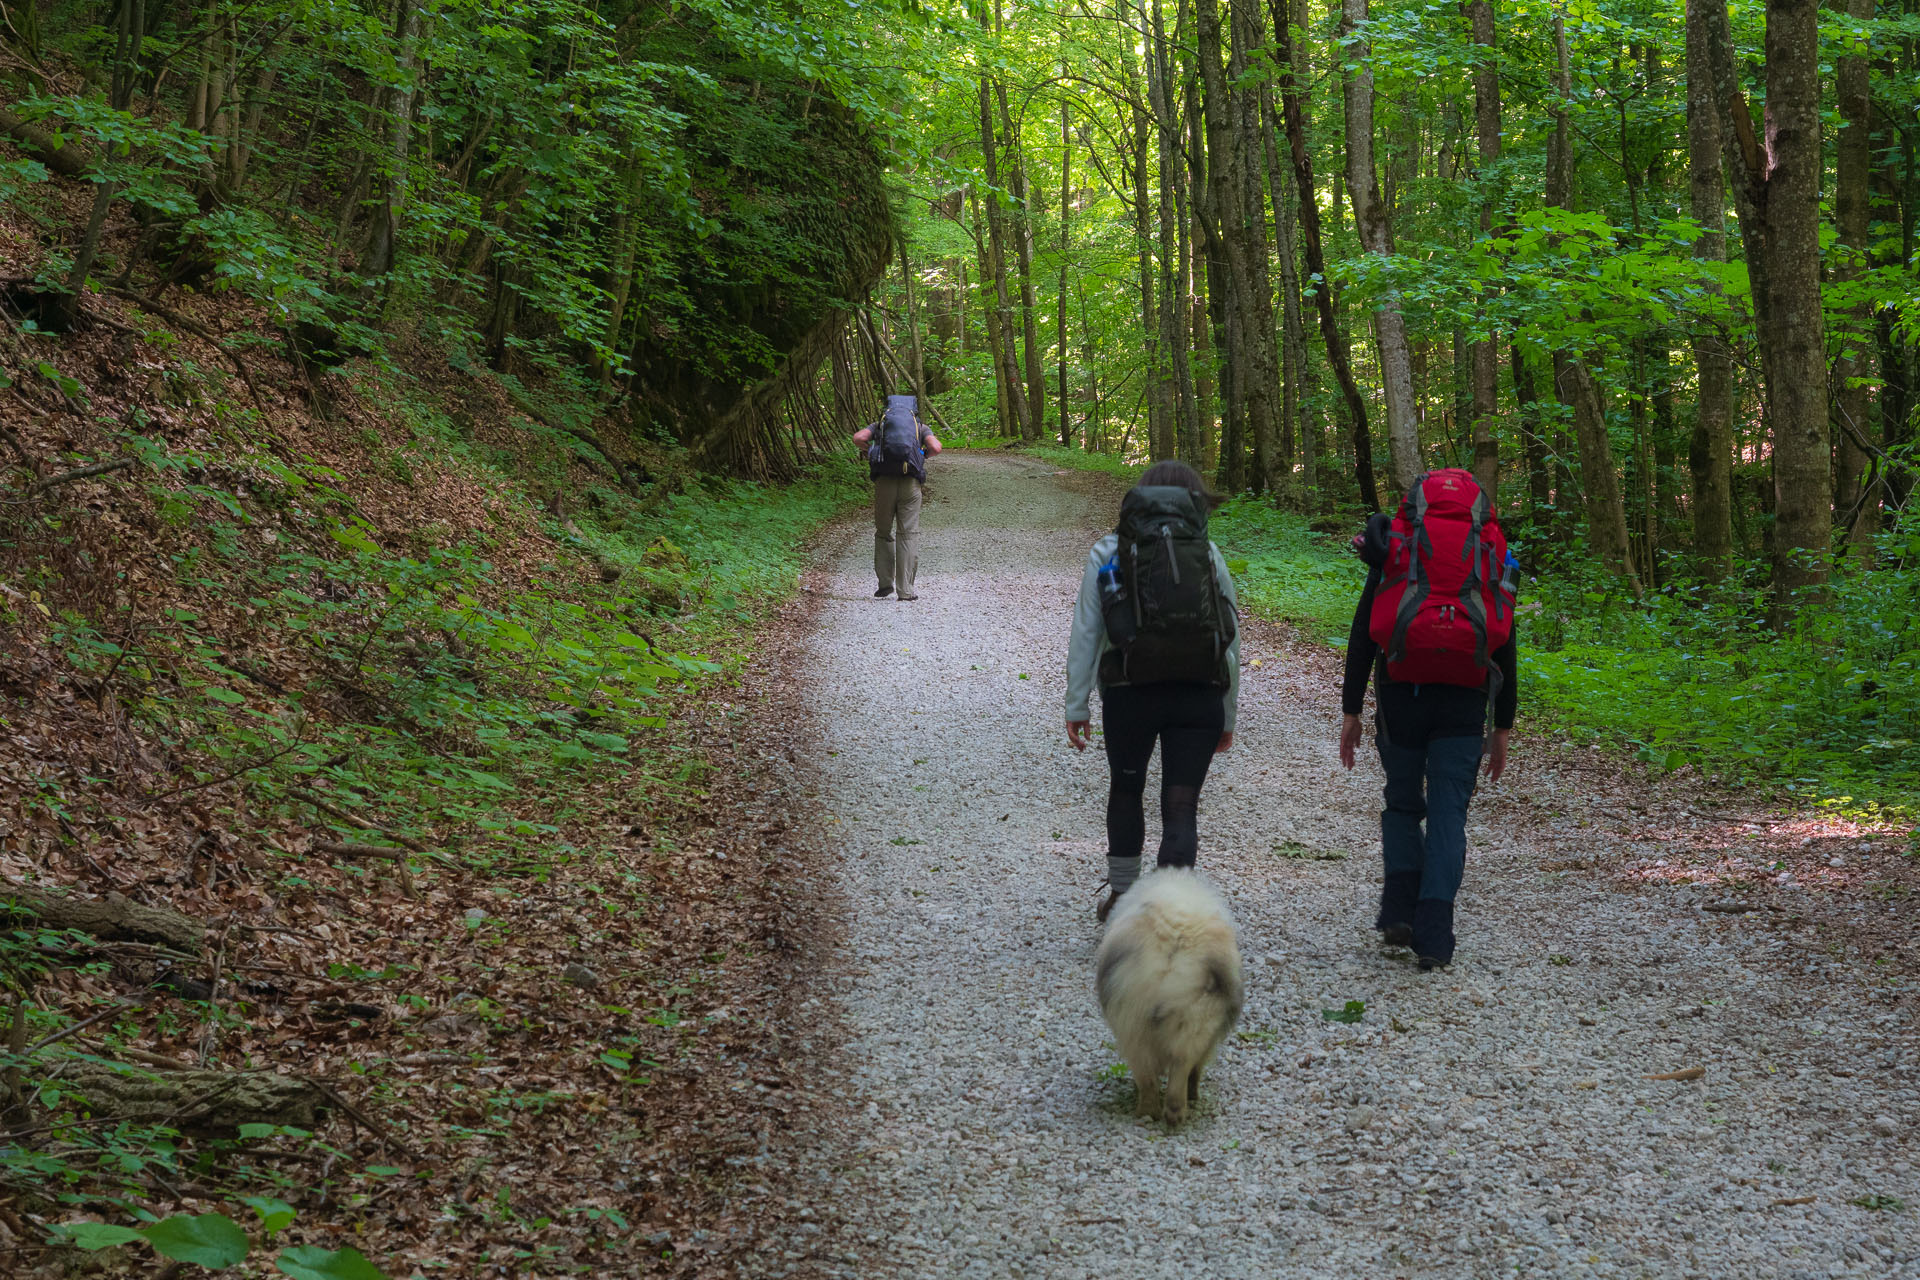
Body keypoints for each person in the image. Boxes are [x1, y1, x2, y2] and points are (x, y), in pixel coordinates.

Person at [1338, 469, 1518, 970]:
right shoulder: (1490, 551)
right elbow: (1507, 642)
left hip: (1402, 694)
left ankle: (1398, 910)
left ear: (1415, 505)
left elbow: (1362, 632)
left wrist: (1351, 710)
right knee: (1447, 817)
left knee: (1401, 805)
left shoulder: (1398, 544)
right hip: (1465, 698)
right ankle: (1435, 935)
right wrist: (1502, 725)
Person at [1065, 459, 1240, 923]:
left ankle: (1123, 898)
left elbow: (1087, 630)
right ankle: (1169, 914)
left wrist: (1076, 702)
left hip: (1129, 692)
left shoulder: (1108, 551)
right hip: (1199, 695)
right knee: (1181, 804)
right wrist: (1227, 712)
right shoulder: (1207, 552)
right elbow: (1230, 640)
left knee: (1126, 790)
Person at [852, 393, 942, 601]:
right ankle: (906, 591)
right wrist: (921, 456)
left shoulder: (880, 425)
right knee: (907, 534)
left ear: (887, 409)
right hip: (910, 483)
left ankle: (885, 584)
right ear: (914, 410)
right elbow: (936, 447)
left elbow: (858, 438)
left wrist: (872, 449)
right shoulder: (920, 426)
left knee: (883, 532)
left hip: (884, 483)